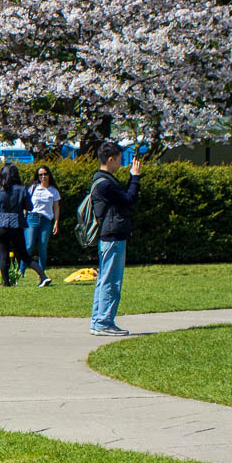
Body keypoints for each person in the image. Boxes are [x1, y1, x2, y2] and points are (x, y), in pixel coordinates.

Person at [90, 142, 142, 336]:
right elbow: (129, 199)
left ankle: (99, 320)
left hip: (109, 234)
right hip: (113, 235)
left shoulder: (102, 180)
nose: (121, 164)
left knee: (105, 279)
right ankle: (104, 322)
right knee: (111, 280)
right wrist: (135, 178)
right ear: (110, 160)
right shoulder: (105, 183)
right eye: (119, 160)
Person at [0, 163, 50, 287]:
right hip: (16, 224)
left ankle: (6, 283)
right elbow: (29, 207)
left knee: (3, 255)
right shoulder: (21, 189)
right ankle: (42, 276)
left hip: (1, 224)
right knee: (24, 254)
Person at [24, 165, 63, 273]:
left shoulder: (53, 191)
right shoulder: (33, 188)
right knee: (29, 245)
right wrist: (23, 218)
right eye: (40, 174)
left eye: (45, 174)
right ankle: (21, 270)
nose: (43, 176)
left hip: (46, 220)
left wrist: (56, 222)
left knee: (43, 246)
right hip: (32, 218)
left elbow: (56, 207)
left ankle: (41, 272)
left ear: (49, 175)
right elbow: (26, 205)